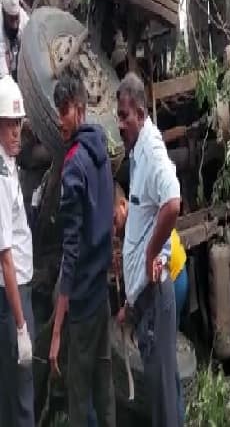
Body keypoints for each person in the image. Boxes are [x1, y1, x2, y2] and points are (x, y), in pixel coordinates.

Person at [47, 73, 116, 427]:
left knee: (78, 398)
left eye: (64, 112)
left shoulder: (74, 164)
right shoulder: (100, 148)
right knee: (105, 390)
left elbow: (71, 252)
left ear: (79, 109)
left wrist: (57, 331)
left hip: (85, 303)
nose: (60, 120)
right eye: (58, 111)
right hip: (102, 293)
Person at [115, 72, 182, 427]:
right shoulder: (137, 153)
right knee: (159, 399)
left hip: (156, 297)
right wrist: (128, 304)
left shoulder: (152, 150)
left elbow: (173, 203)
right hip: (144, 301)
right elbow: (141, 224)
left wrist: (150, 253)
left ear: (140, 113)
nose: (120, 124)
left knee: (163, 402)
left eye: (124, 116)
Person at [112, 183, 187, 423]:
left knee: (160, 370)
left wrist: (128, 308)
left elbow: (144, 276)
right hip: (173, 276)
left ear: (122, 205)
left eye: (113, 220)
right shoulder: (134, 215)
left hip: (170, 281)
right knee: (167, 368)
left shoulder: (137, 224)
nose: (113, 229)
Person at [0, 76, 33, 427]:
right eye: (8, 126)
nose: (15, 133)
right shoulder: (1, 177)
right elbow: (5, 257)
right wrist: (22, 325)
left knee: (11, 394)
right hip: (14, 298)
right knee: (22, 398)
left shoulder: (10, 167)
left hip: (13, 295)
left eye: (18, 124)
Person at [0, 0, 29, 80]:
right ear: (4, 12)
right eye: (11, 20)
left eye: (16, 18)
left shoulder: (23, 19)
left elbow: (33, 40)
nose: (15, 24)